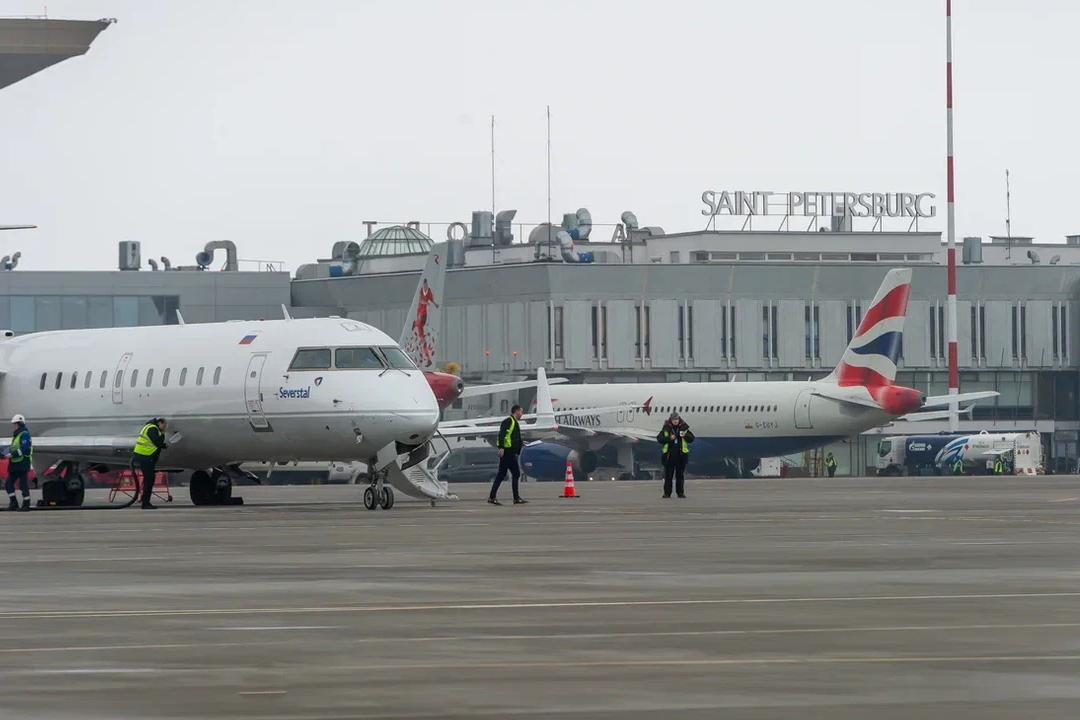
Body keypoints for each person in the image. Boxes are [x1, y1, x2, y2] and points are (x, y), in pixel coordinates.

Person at [488, 404, 527, 505]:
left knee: (501, 475)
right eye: (521, 411)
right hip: (508, 452)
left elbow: (513, 436)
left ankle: (492, 497)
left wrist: (521, 442)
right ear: (516, 411)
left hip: (509, 452)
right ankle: (516, 498)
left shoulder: (514, 422)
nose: (522, 414)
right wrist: (501, 448)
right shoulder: (508, 421)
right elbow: (502, 435)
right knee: (516, 474)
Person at [133, 417, 169, 509]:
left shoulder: (149, 426)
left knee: (148, 479)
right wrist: (163, 437)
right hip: (146, 456)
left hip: (144, 456)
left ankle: (145, 501)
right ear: (160, 423)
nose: (164, 428)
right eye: (164, 426)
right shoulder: (153, 428)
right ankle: (145, 503)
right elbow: (157, 442)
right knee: (149, 480)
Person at [657, 411, 694, 498]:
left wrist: (685, 435)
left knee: (680, 477)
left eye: (676, 419)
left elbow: (691, 439)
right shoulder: (666, 428)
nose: (675, 421)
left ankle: (680, 493)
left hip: (681, 456)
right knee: (668, 476)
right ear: (671, 420)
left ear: (679, 419)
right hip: (669, 456)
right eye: (674, 419)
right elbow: (659, 439)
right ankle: (667, 493)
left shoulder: (684, 428)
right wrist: (669, 438)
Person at [4, 414, 32, 511]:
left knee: (23, 485)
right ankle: (13, 503)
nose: (13, 425)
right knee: (8, 484)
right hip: (15, 464)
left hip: (22, 464)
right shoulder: (17, 434)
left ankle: (26, 504)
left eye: (15, 424)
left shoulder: (24, 434)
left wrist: (12, 455)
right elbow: (14, 447)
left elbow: (24, 449)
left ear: (20, 423)